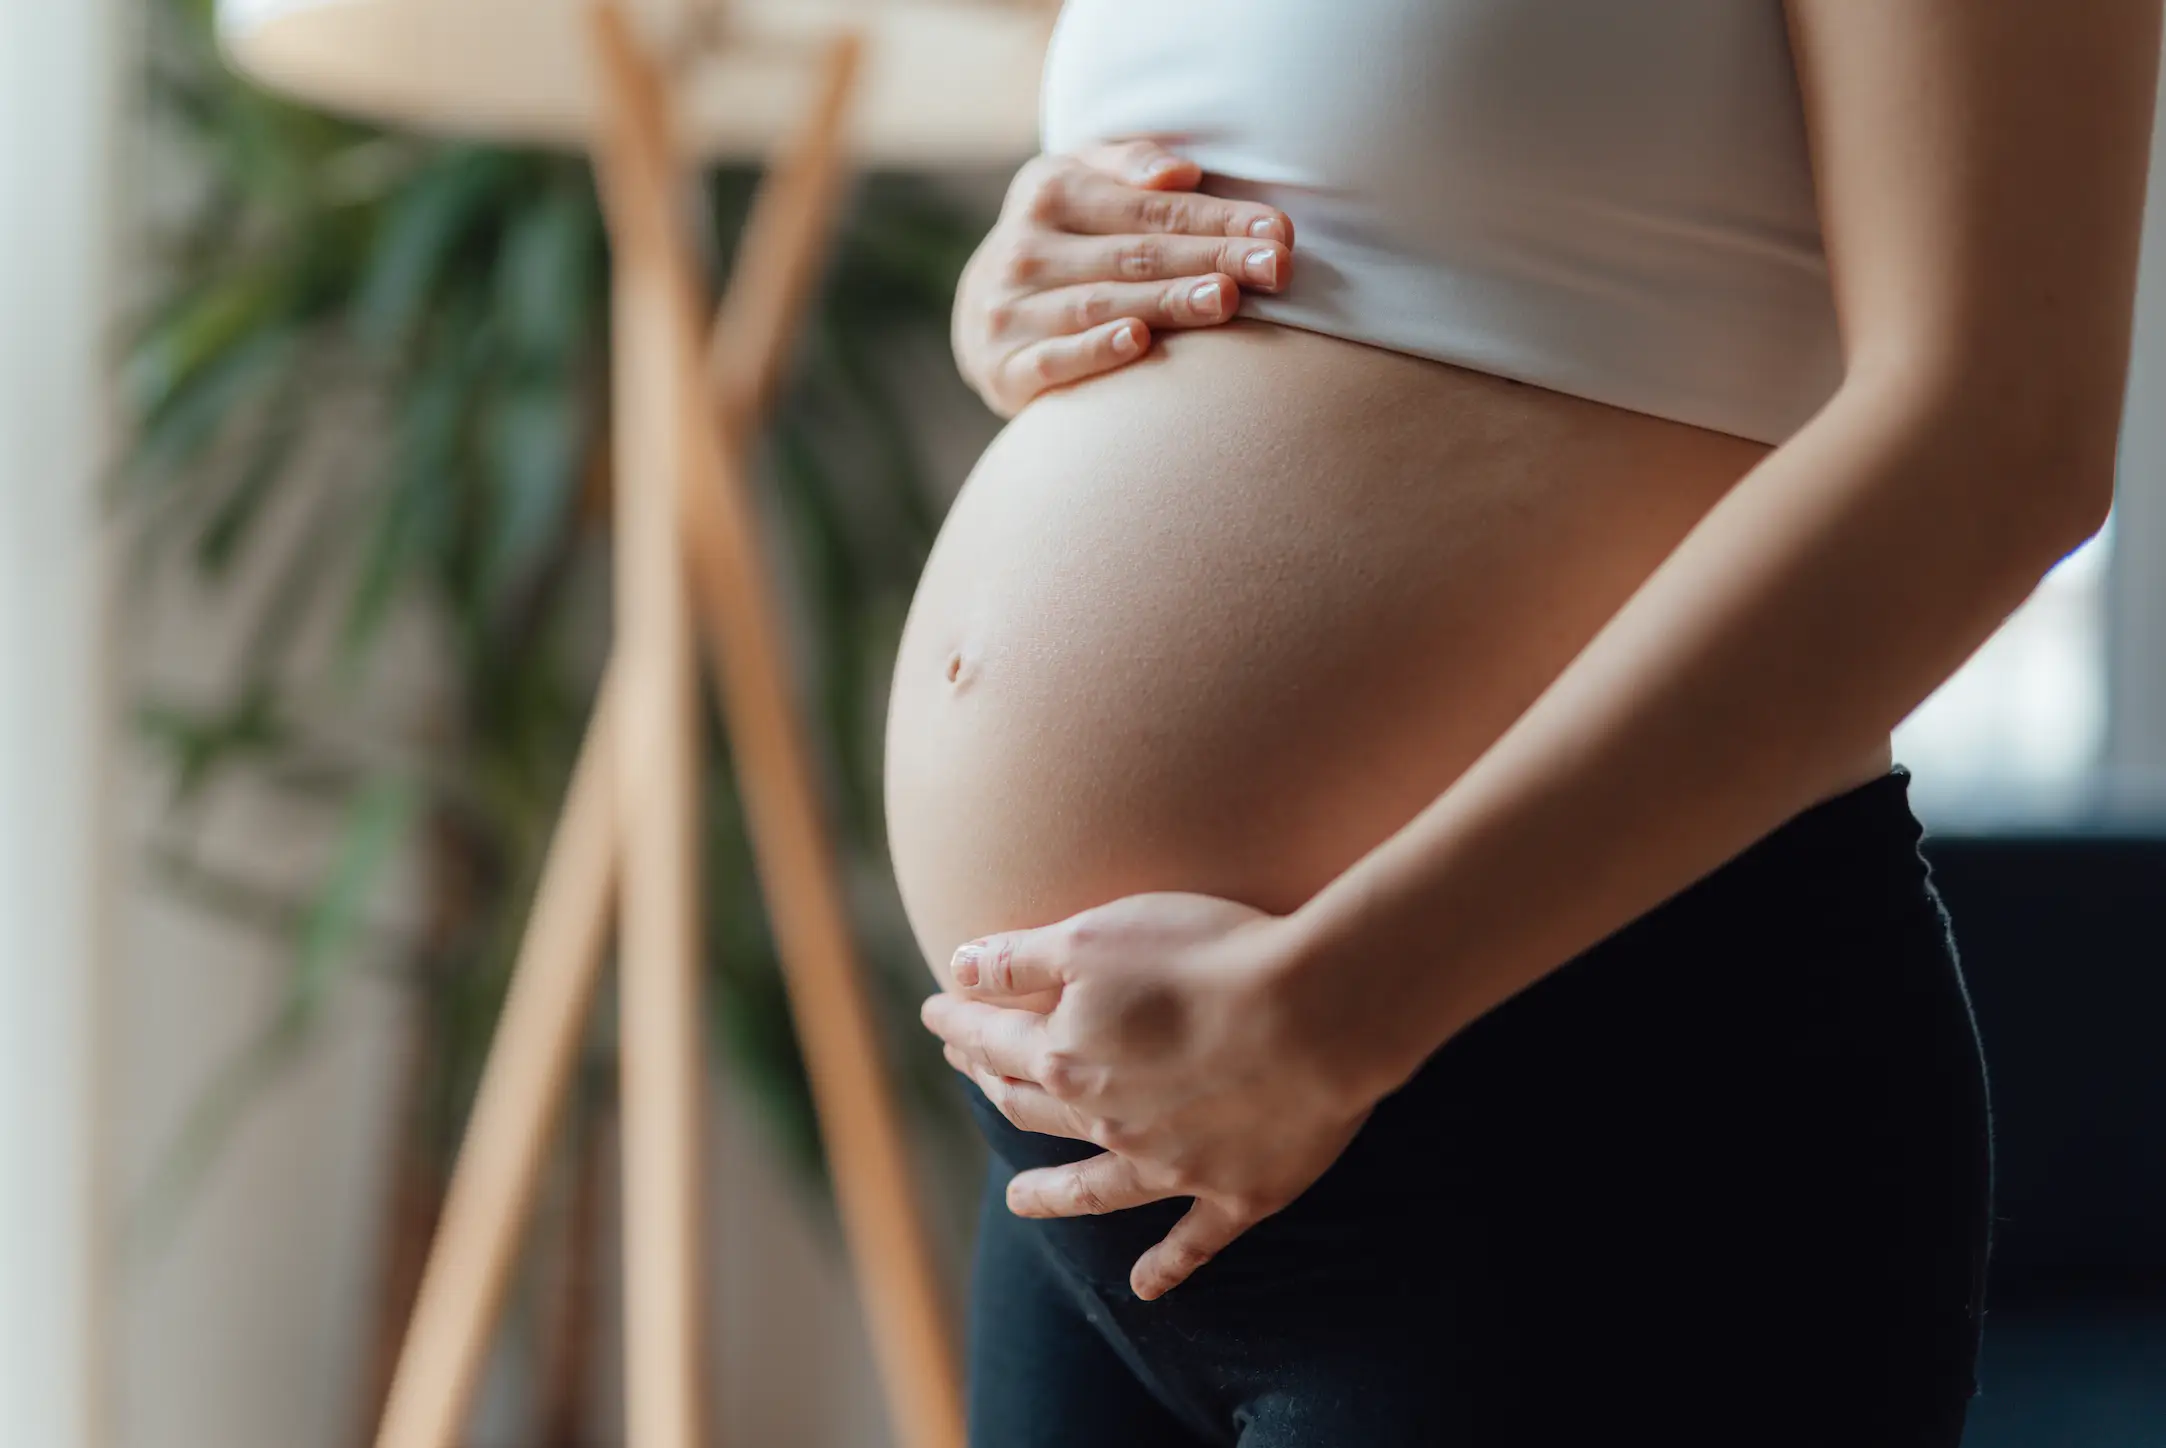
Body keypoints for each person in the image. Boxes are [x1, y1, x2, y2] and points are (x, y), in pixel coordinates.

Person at [882, 2, 2162, 1444]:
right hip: (1096, 1155)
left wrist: (1336, 1006)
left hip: (1584, 1125)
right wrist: (1019, 288)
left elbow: (1999, 439)